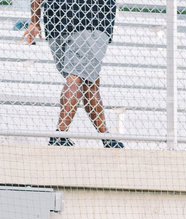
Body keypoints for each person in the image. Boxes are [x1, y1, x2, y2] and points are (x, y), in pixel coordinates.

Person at [24, 0, 123, 148]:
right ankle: (60, 134)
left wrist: (35, 21)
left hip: (56, 20)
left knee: (89, 80)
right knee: (77, 77)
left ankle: (105, 136)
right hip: (92, 18)